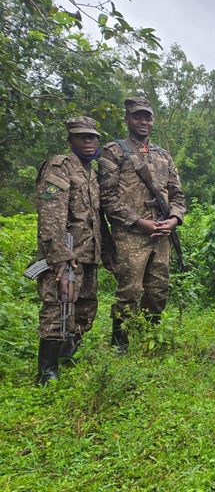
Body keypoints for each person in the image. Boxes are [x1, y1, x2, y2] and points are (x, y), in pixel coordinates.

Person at [99, 97, 186, 350]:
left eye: (147, 117)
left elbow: (177, 194)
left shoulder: (163, 155)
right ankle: (120, 343)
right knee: (129, 290)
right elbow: (106, 196)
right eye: (137, 116)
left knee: (158, 290)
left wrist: (174, 219)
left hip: (161, 235)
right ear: (127, 119)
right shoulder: (114, 151)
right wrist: (138, 221)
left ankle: (149, 339)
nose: (143, 121)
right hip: (130, 236)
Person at [33, 116, 105, 384]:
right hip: (65, 254)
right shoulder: (59, 166)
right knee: (57, 307)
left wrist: (105, 251)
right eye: (82, 136)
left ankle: (67, 354)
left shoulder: (92, 172)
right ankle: (47, 370)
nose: (89, 141)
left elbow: (97, 217)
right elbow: (50, 214)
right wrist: (58, 254)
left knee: (86, 308)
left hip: (89, 253)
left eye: (93, 137)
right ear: (70, 139)